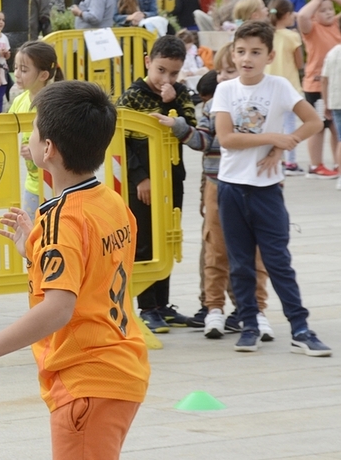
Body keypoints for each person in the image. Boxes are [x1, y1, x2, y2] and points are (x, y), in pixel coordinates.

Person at [0, 81, 149, 460]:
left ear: (47, 149)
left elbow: (59, 307)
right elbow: (92, 276)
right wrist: (35, 252)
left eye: (34, 128)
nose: (28, 136)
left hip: (88, 379)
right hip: (119, 366)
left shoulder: (65, 219)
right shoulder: (109, 200)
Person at [212, 20, 330, 356]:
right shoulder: (226, 90)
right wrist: (271, 137)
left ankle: (300, 328)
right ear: (232, 53)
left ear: (269, 55)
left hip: (266, 190)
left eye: (255, 52)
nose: (246, 58)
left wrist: (283, 145)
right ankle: (249, 324)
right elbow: (227, 139)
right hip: (231, 188)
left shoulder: (279, 86)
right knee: (240, 263)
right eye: (240, 51)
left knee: (278, 262)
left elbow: (314, 121)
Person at [153, 45, 273, 341]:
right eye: (220, 71)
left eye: (228, 71)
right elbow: (203, 140)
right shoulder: (213, 105)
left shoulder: (264, 101)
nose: (222, 77)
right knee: (215, 247)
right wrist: (179, 127)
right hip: (217, 183)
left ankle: (255, 309)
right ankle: (213, 308)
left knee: (253, 251)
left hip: (254, 183)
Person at [116, 36, 201, 333]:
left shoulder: (180, 94)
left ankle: (163, 305)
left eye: (174, 74)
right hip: (142, 182)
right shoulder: (131, 97)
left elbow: (189, 126)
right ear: (147, 62)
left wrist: (173, 101)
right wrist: (140, 177)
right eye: (161, 70)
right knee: (143, 240)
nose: (166, 79)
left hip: (172, 178)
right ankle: (146, 306)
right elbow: (120, 142)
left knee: (167, 237)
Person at [7, 41, 63, 220]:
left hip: (59, 184)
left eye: (24, 70)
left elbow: (65, 141)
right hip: (32, 183)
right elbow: (9, 134)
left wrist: (38, 151)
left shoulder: (57, 104)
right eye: (15, 68)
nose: (16, 74)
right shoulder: (19, 101)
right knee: (33, 234)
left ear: (43, 74)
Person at [297, 0, 341, 178]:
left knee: (335, 128)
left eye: (330, 10)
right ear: (315, 13)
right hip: (316, 86)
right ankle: (315, 165)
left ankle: (337, 163)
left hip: (334, 85)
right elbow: (302, 15)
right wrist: (316, 0)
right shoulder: (311, 28)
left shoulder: (336, 25)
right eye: (323, 11)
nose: (329, 13)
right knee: (318, 126)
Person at [267, 0, 305, 175]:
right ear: (288, 15)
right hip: (289, 85)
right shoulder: (293, 36)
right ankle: (291, 161)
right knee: (290, 124)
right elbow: (299, 63)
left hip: (268, 85)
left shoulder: (266, 35)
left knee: (273, 124)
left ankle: (277, 159)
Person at [320, 24, 341, 191]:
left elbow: (324, 79)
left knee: (340, 139)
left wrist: (326, 103)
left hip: (335, 102)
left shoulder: (333, 52)